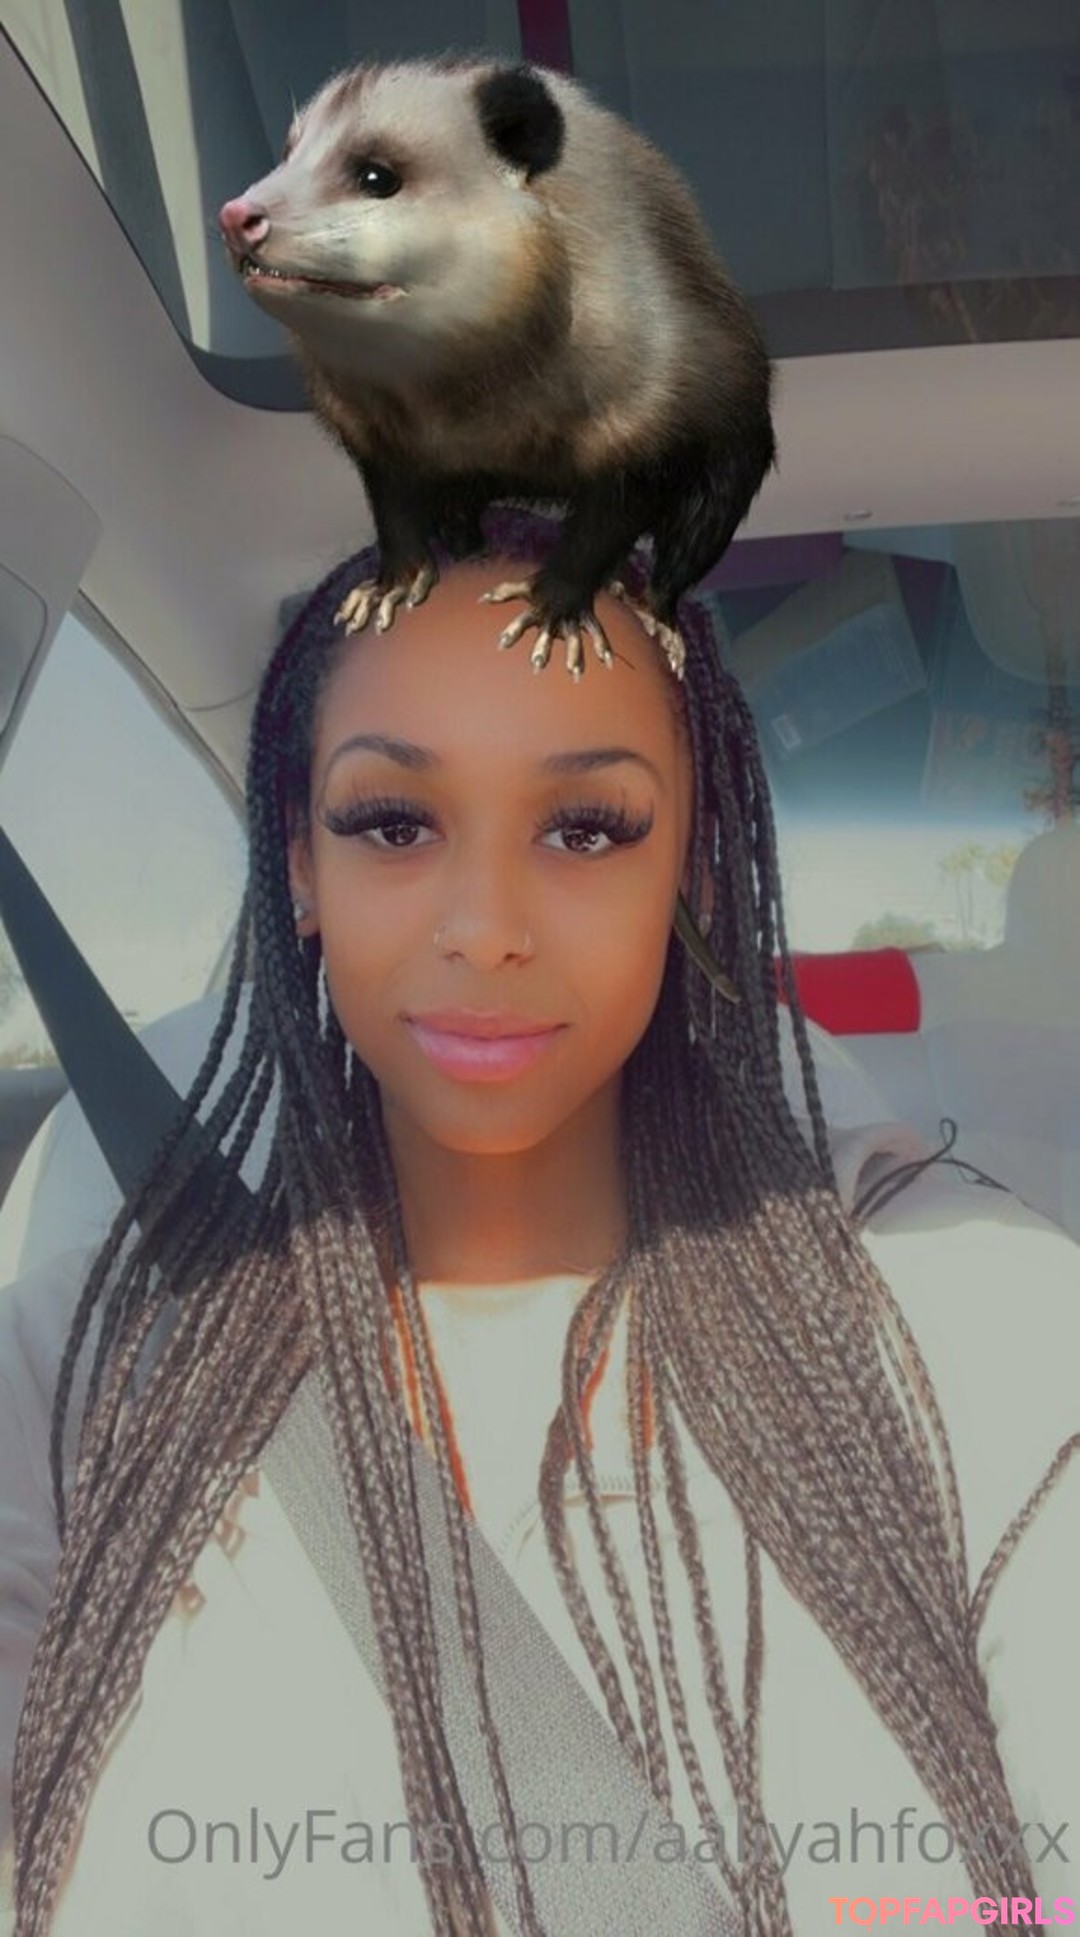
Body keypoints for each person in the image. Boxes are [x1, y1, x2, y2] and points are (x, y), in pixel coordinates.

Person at [0, 505, 1077, 1936]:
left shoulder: (960, 1315)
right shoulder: (94, 1350)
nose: (488, 925)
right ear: (303, 865)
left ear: (692, 869)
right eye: (394, 823)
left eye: (587, 828)